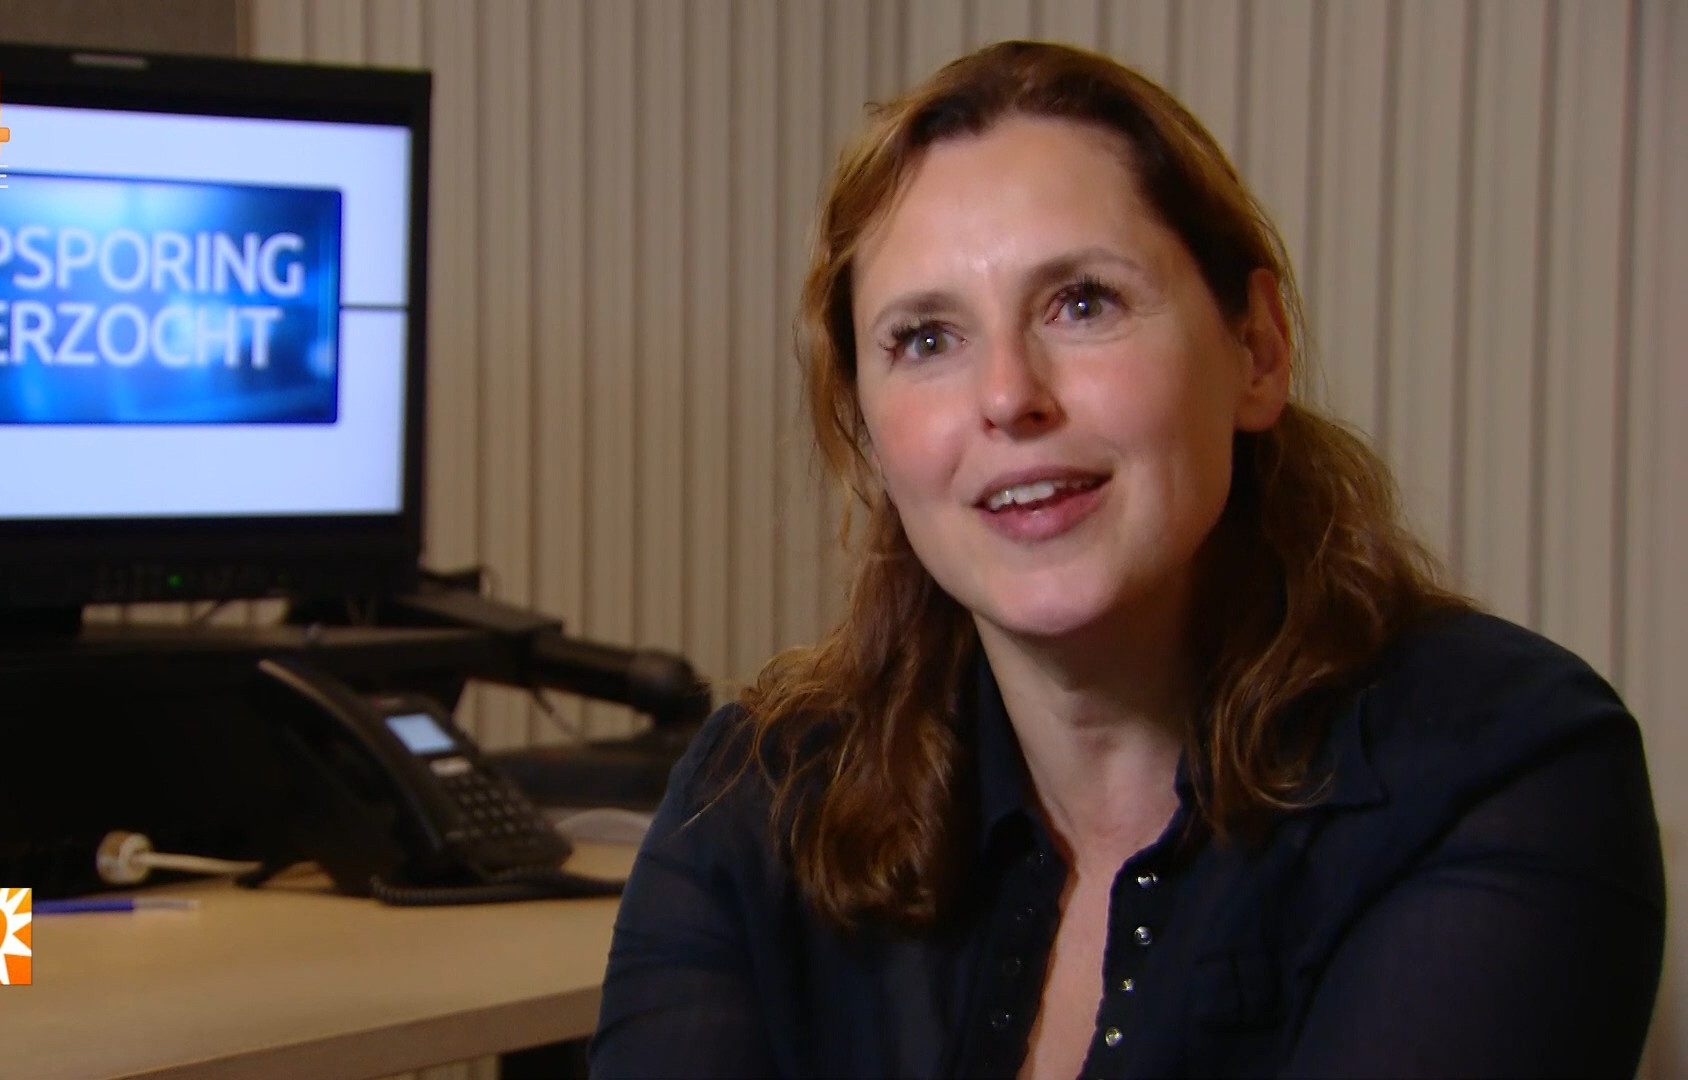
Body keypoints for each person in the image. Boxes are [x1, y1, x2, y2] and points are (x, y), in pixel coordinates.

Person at [589, 39, 1666, 1080]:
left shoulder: (1502, 767)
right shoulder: (755, 802)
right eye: (926, 338)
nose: (1008, 395)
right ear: (868, 433)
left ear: (1256, 351)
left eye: (1083, 302)